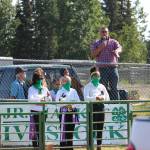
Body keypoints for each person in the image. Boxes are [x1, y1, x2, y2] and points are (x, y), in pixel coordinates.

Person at [91, 27, 122, 100]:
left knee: (114, 87)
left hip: (113, 68)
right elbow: (92, 55)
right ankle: (104, 104)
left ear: (108, 33)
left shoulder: (113, 41)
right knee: (102, 87)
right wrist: (101, 47)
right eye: (102, 32)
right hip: (102, 69)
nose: (104, 33)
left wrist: (117, 51)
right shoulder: (96, 43)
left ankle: (115, 104)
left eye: (105, 32)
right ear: (100, 33)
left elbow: (120, 48)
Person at [84, 67, 110, 150]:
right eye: (94, 77)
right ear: (91, 77)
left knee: (100, 128)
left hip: (101, 107)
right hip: (92, 108)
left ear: (100, 77)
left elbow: (107, 97)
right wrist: (95, 98)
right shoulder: (87, 86)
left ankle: (99, 146)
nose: (96, 78)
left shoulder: (102, 86)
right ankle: (90, 145)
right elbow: (86, 98)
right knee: (91, 128)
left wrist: (103, 98)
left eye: (98, 77)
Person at [56, 76, 80, 150]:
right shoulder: (60, 91)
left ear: (70, 82)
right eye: (64, 81)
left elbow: (78, 102)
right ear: (62, 82)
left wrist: (70, 105)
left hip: (72, 113)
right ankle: (63, 148)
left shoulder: (74, 91)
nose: (65, 82)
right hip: (63, 114)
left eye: (67, 81)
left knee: (70, 132)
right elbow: (58, 103)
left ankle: (70, 148)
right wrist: (67, 104)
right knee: (63, 132)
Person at [28, 72, 52, 148]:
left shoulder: (45, 88)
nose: (40, 80)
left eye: (41, 79)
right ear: (34, 79)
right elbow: (30, 100)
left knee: (41, 131)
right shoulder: (31, 88)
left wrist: (46, 99)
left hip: (43, 112)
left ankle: (41, 146)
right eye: (38, 79)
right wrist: (40, 100)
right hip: (35, 112)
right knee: (34, 131)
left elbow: (50, 100)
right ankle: (35, 147)